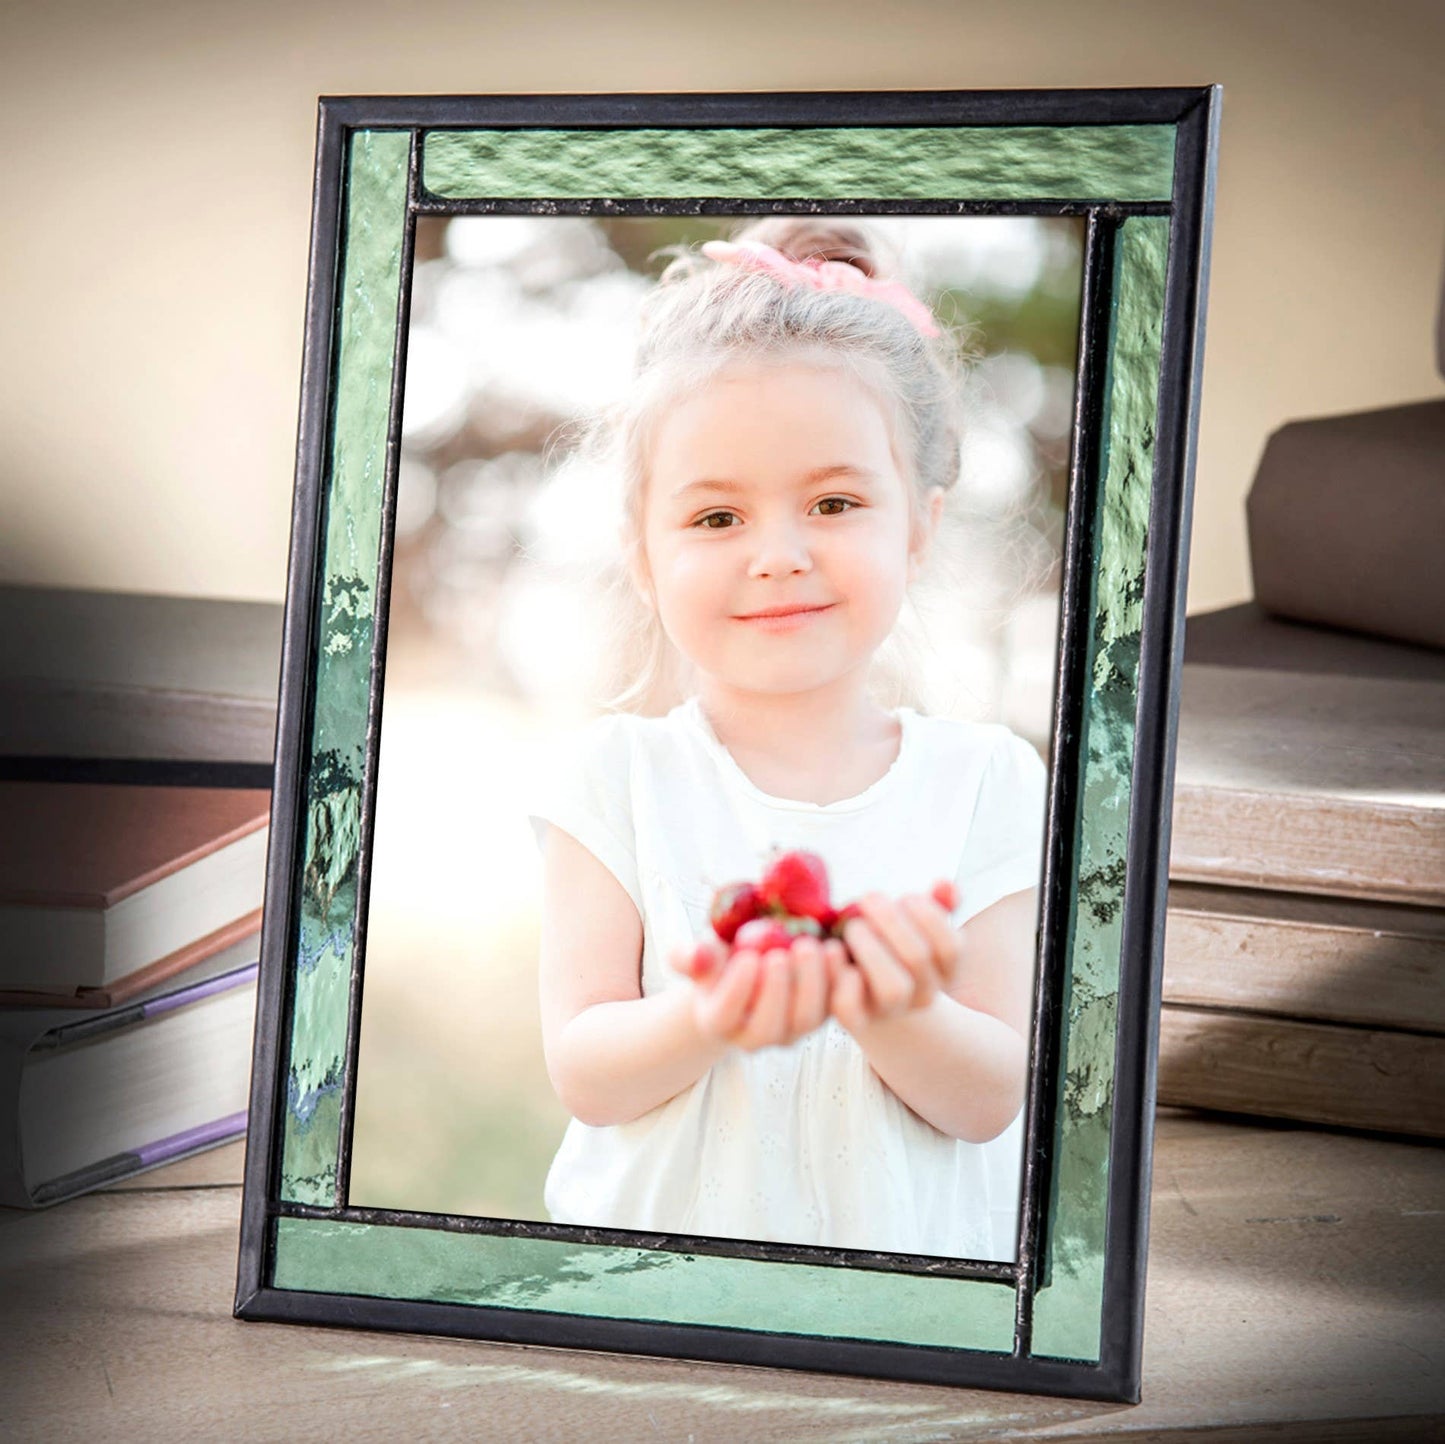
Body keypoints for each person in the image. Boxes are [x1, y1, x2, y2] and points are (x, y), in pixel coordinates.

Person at [526, 217, 1047, 1261]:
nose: (777, 554)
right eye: (716, 519)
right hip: (650, 1303)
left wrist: (889, 1005)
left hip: (908, 1318)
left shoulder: (986, 779)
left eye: (833, 501)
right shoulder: (614, 777)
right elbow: (585, 1065)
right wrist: (710, 1012)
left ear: (919, 523)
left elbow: (991, 1095)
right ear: (642, 553)